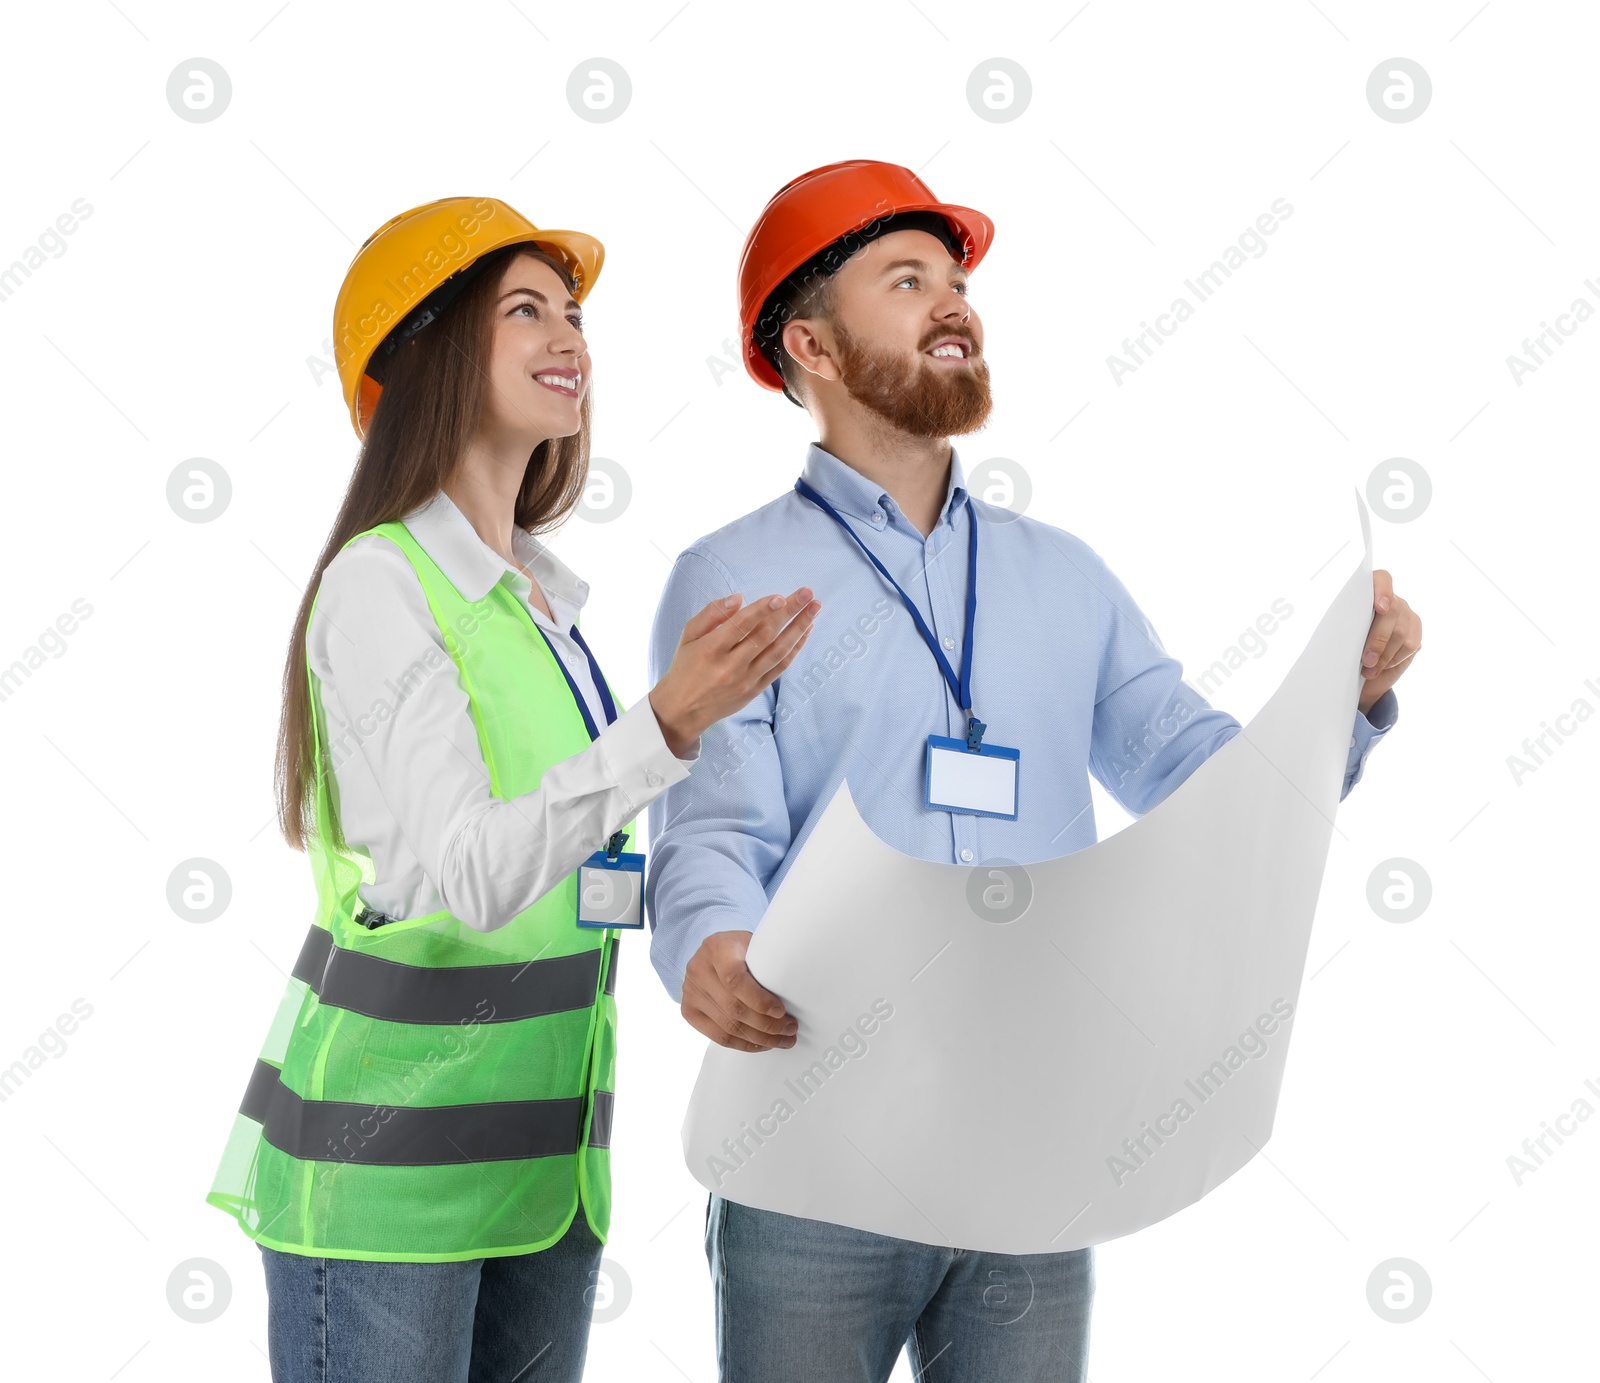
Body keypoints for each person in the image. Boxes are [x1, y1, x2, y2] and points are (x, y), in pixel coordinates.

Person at [644, 161, 1422, 1382]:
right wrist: (702, 943)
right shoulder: (729, 576)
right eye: (907, 281)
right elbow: (714, 824)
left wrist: (1348, 698)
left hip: (1034, 1144)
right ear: (814, 346)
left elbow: (1198, 782)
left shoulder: (1062, 577)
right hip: (813, 1143)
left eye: (955, 281)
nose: (954, 304)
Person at [205, 195, 819, 1383]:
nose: (569, 338)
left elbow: (575, 866)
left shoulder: (545, 607)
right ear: (429, 352)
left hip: (543, 1178)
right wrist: (669, 722)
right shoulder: (382, 587)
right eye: (524, 311)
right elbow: (473, 875)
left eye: (574, 312)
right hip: (386, 1188)